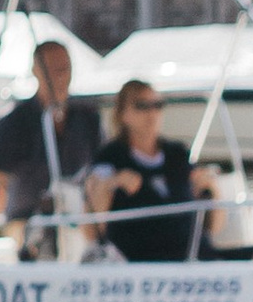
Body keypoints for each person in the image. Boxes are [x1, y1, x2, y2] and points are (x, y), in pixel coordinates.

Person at [0, 37, 100, 254]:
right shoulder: (12, 122)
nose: (61, 75)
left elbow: (100, 169)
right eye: (53, 69)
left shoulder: (88, 118)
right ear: (36, 71)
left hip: (77, 223)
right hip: (27, 225)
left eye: (65, 68)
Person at [87, 79, 223, 261]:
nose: (152, 113)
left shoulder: (178, 154)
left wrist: (212, 189)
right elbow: (91, 231)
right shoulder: (111, 158)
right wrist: (112, 183)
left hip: (196, 255)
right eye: (142, 106)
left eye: (157, 105)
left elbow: (214, 228)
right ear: (123, 114)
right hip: (144, 261)